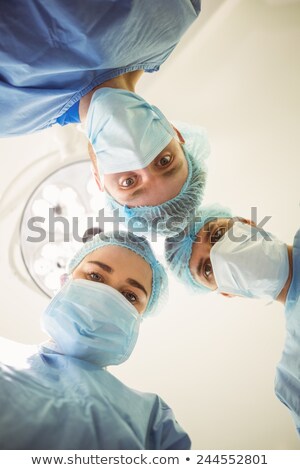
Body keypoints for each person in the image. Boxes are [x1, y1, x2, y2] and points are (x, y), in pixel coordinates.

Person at [0, 1, 208, 235]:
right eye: (164, 161)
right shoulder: (174, 15)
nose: (138, 157)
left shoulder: (9, 116)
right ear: (174, 133)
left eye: (129, 182)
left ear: (98, 178)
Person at [0, 230, 191, 450]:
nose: (104, 298)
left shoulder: (153, 420)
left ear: (138, 320)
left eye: (129, 296)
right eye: (95, 276)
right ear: (65, 281)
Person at [165, 204, 300, 435]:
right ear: (227, 292)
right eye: (207, 269)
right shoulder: (292, 376)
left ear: (247, 224)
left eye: (217, 235)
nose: (221, 256)